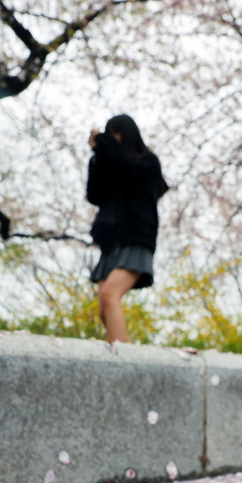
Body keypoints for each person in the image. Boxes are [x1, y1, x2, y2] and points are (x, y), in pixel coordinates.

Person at [86, 114, 167, 344]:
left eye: (116, 133)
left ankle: (125, 361)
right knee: (104, 306)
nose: (113, 139)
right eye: (109, 134)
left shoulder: (147, 162)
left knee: (110, 295)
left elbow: (127, 171)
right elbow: (94, 195)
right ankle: (122, 352)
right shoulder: (110, 163)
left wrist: (104, 145)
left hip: (136, 236)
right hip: (112, 239)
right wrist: (97, 157)